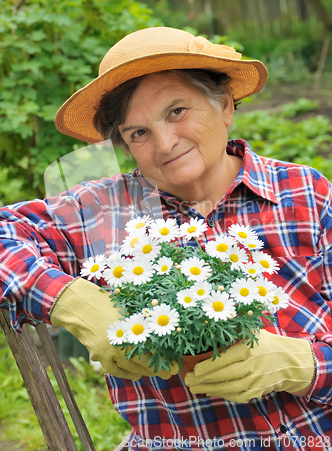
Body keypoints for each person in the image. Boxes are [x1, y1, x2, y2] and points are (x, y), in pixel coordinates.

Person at [1, 26, 332, 451]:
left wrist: (301, 364)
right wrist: (73, 302)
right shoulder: (103, 210)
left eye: (177, 111)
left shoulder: (305, 193)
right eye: (138, 133)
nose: (165, 143)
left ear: (225, 105)